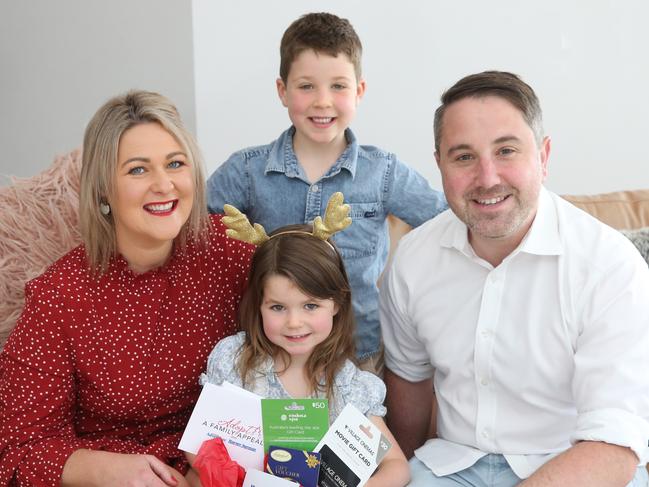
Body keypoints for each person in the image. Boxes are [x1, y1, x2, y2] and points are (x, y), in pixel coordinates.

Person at [380, 71, 649, 486]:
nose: (487, 178)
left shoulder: (610, 266)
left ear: (543, 155)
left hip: (575, 467)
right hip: (451, 467)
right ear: (439, 164)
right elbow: (408, 380)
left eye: (506, 151)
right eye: (464, 157)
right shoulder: (414, 259)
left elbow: (614, 446)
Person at [0, 91, 254, 486]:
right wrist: (103, 469)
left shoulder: (233, 254)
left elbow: (314, 330)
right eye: (138, 170)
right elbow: (16, 451)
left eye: (175, 163)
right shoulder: (59, 297)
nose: (163, 184)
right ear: (102, 189)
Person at [206, 12, 447, 370]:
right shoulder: (246, 170)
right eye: (306, 86)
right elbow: (192, 229)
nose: (322, 101)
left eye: (338, 86)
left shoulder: (383, 172)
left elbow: (447, 221)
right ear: (282, 91)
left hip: (358, 355)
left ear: (359, 91)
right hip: (271, 360)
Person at [191, 194, 410, 486]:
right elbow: (197, 447)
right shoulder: (235, 361)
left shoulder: (348, 386)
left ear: (336, 303)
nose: (294, 323)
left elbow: (397, 466)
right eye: (278, 307)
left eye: (310, 306)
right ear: (258, 305)